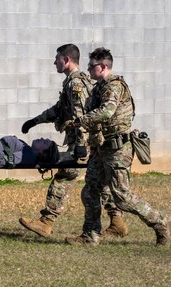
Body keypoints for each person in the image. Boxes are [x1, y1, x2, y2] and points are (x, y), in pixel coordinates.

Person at [18, 44, 128, 238]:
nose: (54, 62)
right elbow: (58, 109)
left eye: (57, 58)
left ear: (66, 60)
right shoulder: (73, 82)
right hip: (87, 141)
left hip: (82, 142)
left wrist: (79, 144)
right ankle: (117, 221)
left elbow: (81, 116)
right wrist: (35, 121)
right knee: (100, 182)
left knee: (65, 176)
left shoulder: (75, 84)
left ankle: (46, 222)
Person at [65, 47, 169, 246]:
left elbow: (107, 112)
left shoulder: (114, 86)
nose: (88, 69)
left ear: (103, 66)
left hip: (118, 149)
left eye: (91, 65)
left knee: (122, 197)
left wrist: (82, 121)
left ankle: (160, 222)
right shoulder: (98, 87)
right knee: (90, 191)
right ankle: (90, 235)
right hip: (101, 148)